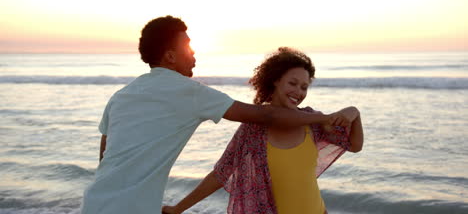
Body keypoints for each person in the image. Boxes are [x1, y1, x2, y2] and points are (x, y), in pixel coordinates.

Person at [80, 16, 352, 214]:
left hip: (93, 203)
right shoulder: (189, 92)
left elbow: (105, 155)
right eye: (188, 45)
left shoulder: (121, 96)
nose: (194, 52)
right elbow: (266, 117)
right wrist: (322, 117)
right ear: (171, 56)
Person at [162, 47, 364, 214]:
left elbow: (354, 145)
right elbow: (220, 174)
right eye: (292, 83)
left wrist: (355, 112)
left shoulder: (312, 121)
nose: (298, 92)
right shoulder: (253, 129)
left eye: (304, 87)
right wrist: (178, 208)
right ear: (275, 80)